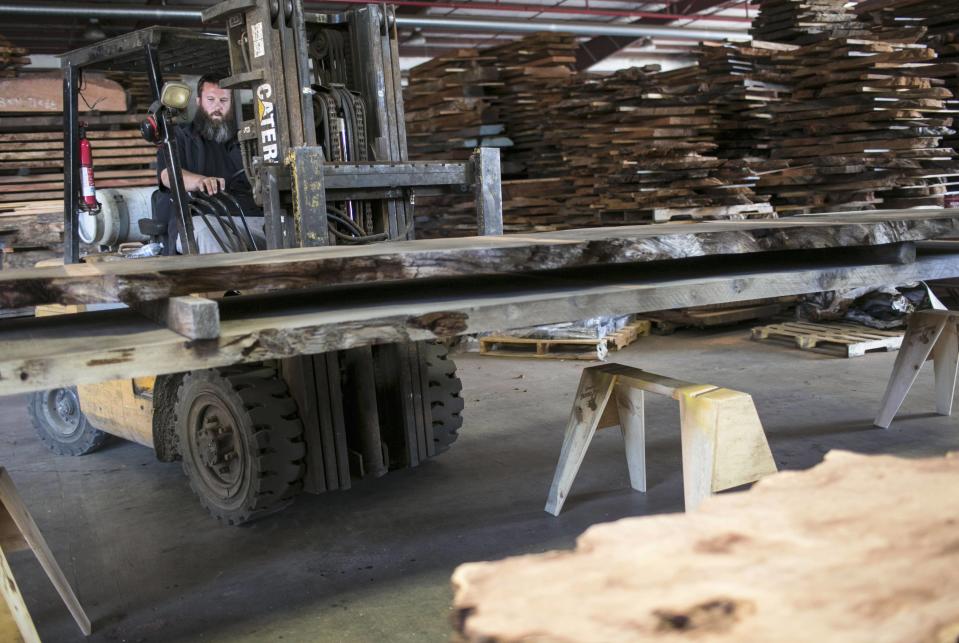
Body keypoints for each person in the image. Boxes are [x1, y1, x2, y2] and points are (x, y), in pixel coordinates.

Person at [156, 74, 266, 254]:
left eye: (223, 100)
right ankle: (226, 282)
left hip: (251, 219)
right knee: (210, 234)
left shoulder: (245, 141)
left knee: (293, 228)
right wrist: (200, 181)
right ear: (199, 101)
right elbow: (168, 176)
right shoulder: (179, 137)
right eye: (211, 99)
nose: (218, 106)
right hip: (203, 218)